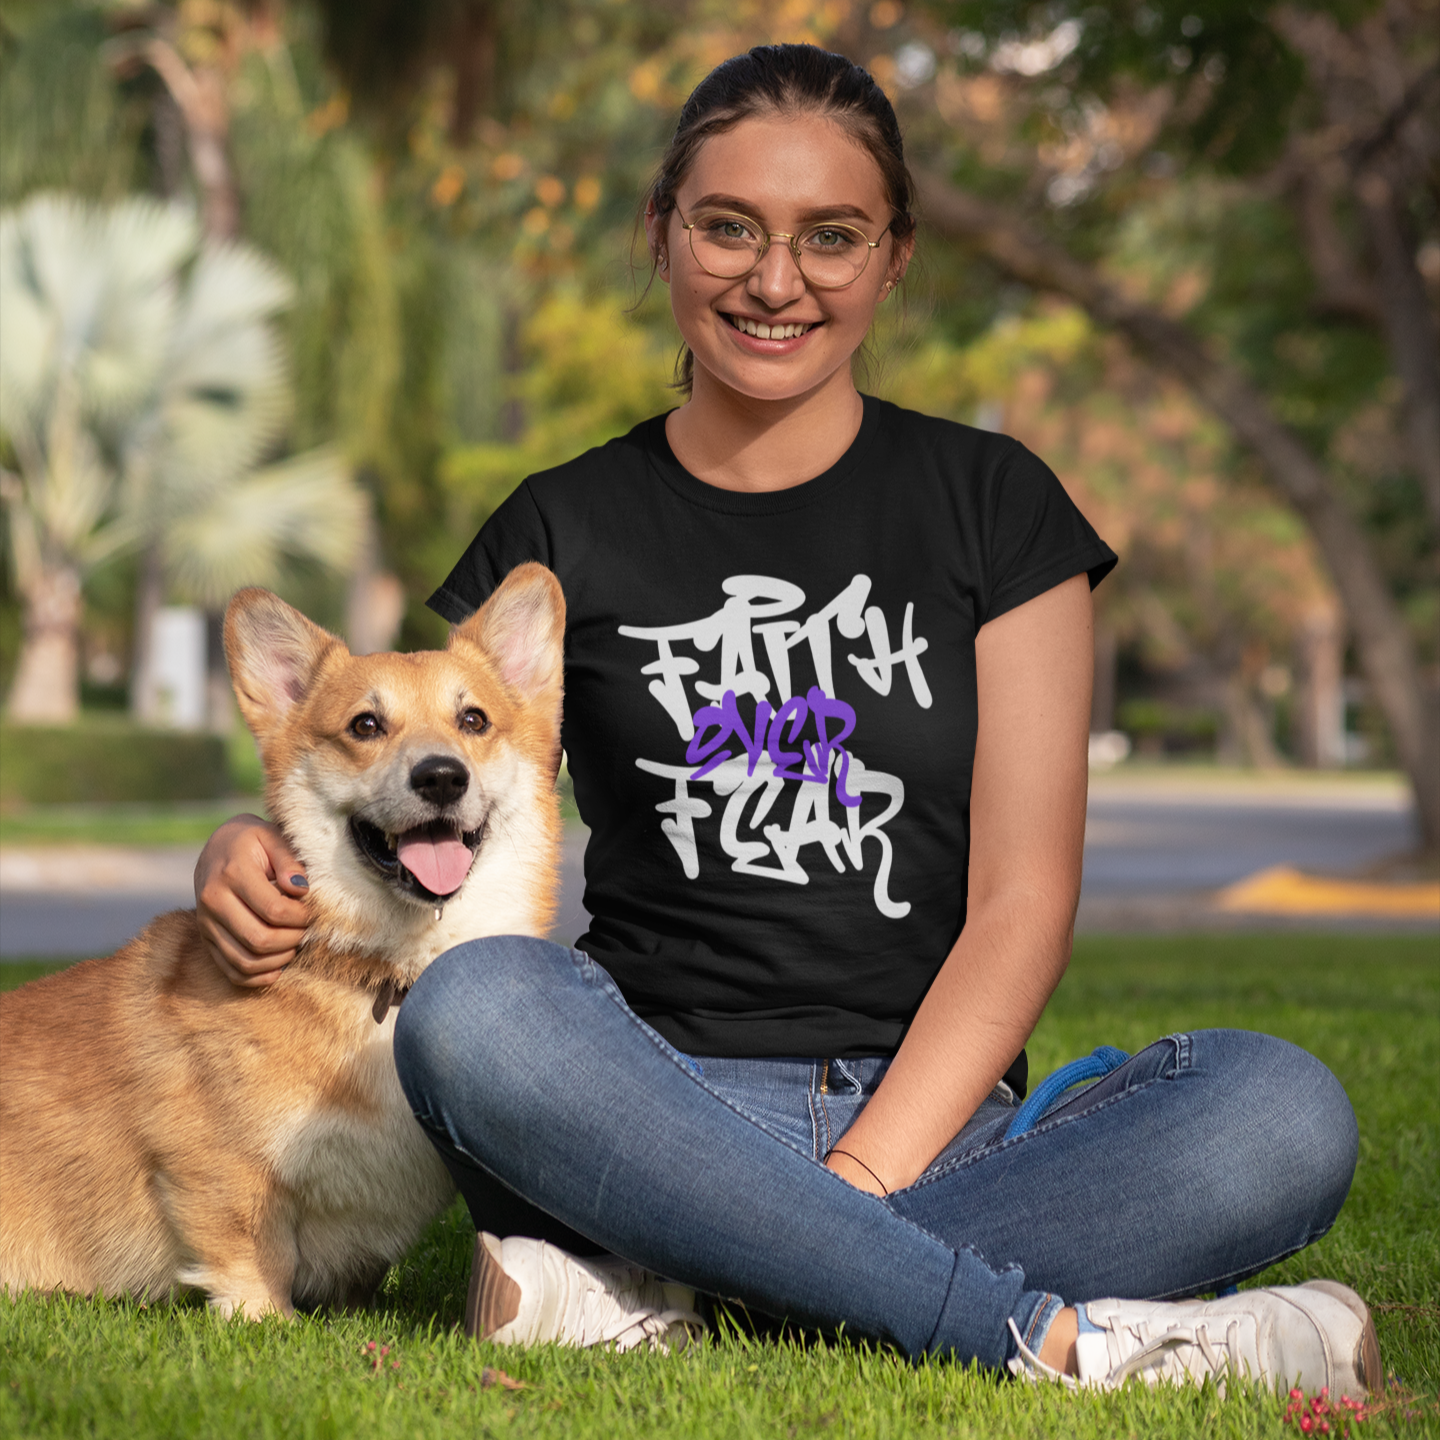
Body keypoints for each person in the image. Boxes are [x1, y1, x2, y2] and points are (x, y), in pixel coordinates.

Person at [195, 44, 1378, 1391]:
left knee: (1280, 1114)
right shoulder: (561, 523)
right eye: (728, 227)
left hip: (937, 1117)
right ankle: (1067, 1341)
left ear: (893, 256)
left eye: (831, 236)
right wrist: (239, 850)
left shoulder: (997, 507)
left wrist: (852, 1189)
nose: (775, 280)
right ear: (661, 232)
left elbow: (1023, 906)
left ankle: (684, 1290)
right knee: (474, 1010)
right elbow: (411, 760)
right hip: (628, 1108)